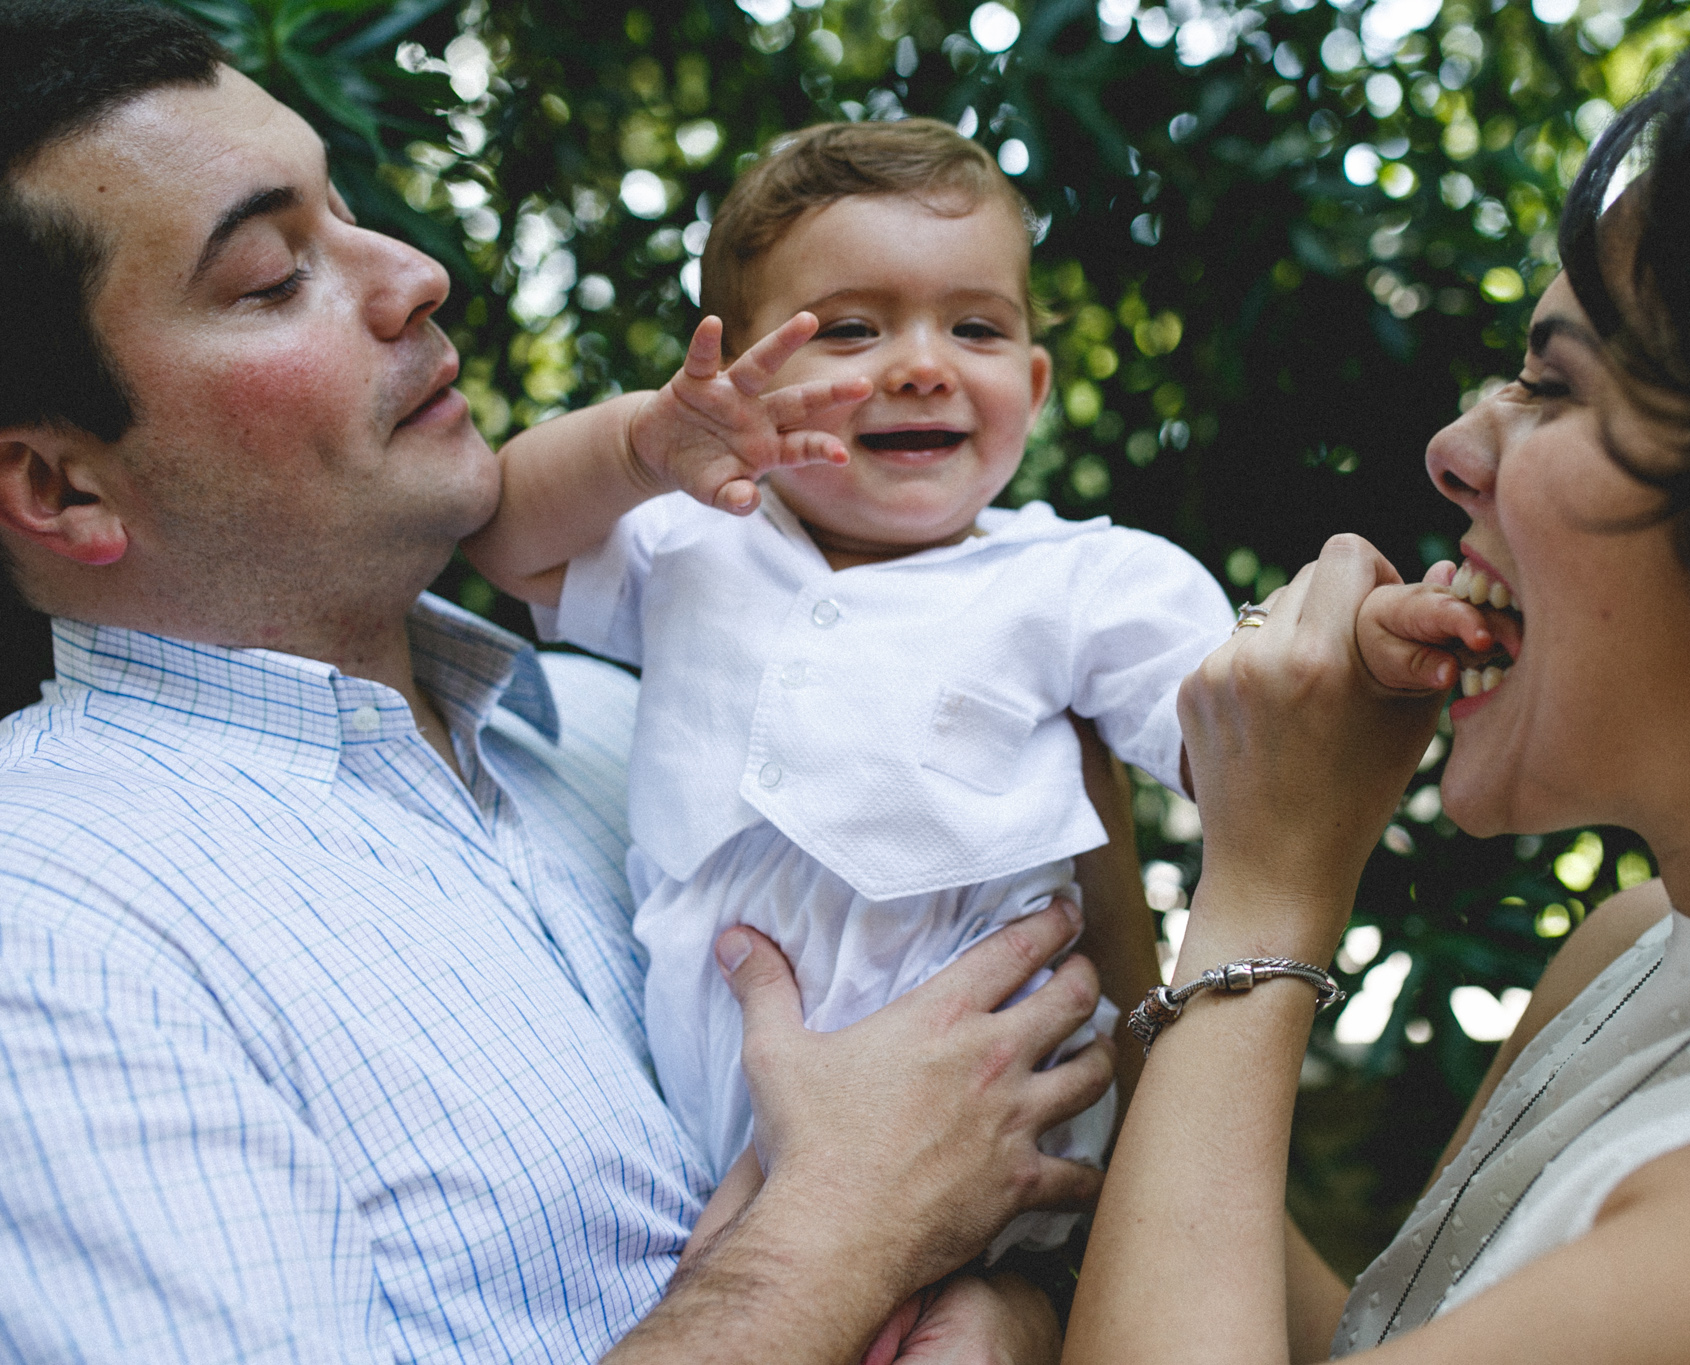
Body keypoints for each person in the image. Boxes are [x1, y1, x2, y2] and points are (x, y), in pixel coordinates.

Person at [0, 2, 1116, 1359]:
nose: (415, 274)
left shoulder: (617, 729)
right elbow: (882, 1192)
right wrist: (851, 1225)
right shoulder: (50, 925)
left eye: (350, 211)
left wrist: (1001, 1307)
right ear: (61, 485)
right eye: (270, 274)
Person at [1066, 24, 1690, 1364]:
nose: (1457, 447)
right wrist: (1101, 880)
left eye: (1553, 387)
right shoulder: (1635, 940)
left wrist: (1270, 886)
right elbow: (1364, 1338)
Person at [460, 118, 1231, 1258]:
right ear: (733, 382)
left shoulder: (1075, 578)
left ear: (1029, 381)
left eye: (972, 326)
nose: (920, 363)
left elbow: (1245, 732)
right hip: (716, 1147)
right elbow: (506, 536)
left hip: (997, 1121)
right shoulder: (694, 539)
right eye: (853, 329)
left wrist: (1363, 652)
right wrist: (641, 447)